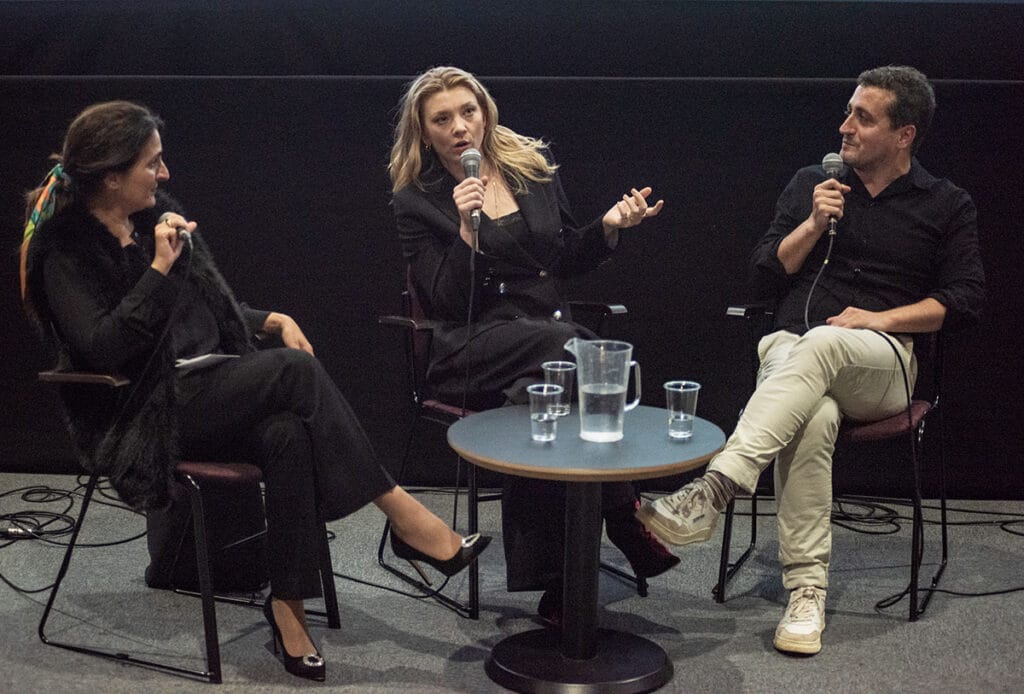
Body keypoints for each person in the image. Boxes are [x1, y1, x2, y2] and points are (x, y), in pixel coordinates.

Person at [20, 101, 490, 682]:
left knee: (287, 432)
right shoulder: (64, 251)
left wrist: (270, 318)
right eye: (153, 164)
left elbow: (210, 311)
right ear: (112, 176)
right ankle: (406, 518)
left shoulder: (152, 222)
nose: (164, 175)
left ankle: (288, 606)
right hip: (144, 411)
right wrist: (159, 272)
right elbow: (102, 348)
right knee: (293, 371)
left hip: (209, 387)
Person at [638, 65, 984, 655]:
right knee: (814, 412)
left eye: (863, 118)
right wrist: (813, 222)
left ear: (905, 135)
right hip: (791, 354)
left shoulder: (943, 203)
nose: (844, 126)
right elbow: (762, 275)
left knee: (819, 344)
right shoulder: (812, 184)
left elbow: (968, 298)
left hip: (884, 361)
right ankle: (806, 595)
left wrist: (879, 319)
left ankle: (717, 486)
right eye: (849, 111)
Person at [388, 65, 673, 624]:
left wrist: (609, 226)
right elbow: (445, 302)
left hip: (544, 339)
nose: (459, 127)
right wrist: (467, 232)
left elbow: (561, 260)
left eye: (467, 112)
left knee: (546, 389)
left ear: (486, 112)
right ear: (424, 132)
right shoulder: (416, 200)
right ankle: (626, 515)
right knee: (578, 349)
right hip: (469, 341)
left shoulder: (531, 170)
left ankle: (560, 586)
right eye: (442, 119)